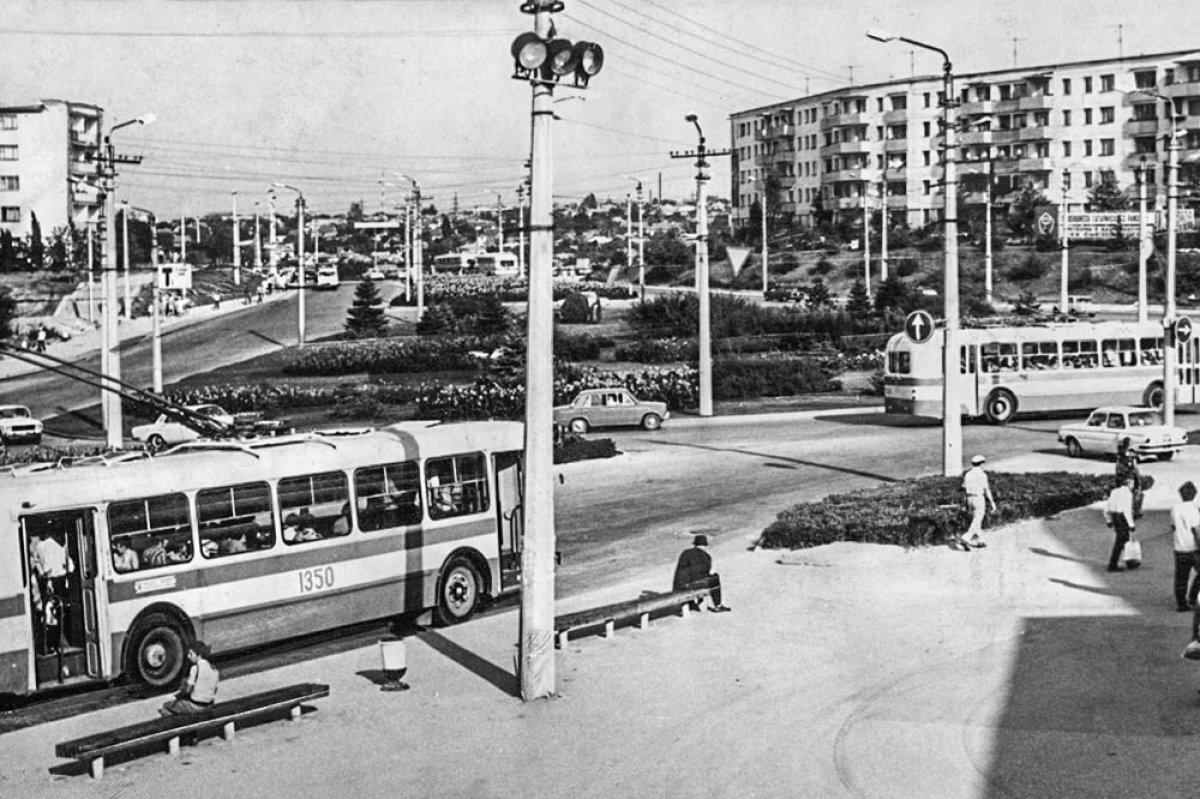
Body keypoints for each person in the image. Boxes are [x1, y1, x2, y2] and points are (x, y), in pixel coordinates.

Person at [672, 533, 731, 612]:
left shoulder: (685, 553)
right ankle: (718, 605)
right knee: (714, 578)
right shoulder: (706, 556)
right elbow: (704, 574)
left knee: (689, 577)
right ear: (705, 546)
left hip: (679, 586)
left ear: (695, 545)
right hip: (694, 586)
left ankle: (692, 603)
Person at [160, 640, 219, 717]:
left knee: (166, 706)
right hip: (209, 705)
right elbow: (214, 690)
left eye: (191, 654)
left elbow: (188, 690)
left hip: (195, 706)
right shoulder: (214, 670)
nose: (188, 656)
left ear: (199, 655)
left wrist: (177, 696)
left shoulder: (195, 668)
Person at [959, 454, 997, 550]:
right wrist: (992, 502)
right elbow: (986, 489)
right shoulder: (982, 475)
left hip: (969, 498)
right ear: (981, 463)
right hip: (978, 498)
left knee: (976, 519)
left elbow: (964, 488)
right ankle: (966, 537)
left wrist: (965, 502)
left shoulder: (968, 474)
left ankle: (981, 540)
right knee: (977, 519)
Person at [1172, 481, 1200, 611]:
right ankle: (1193, 597)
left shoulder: (1175, 509)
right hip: (1193, 548)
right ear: (1195, 494)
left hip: (1179, 547)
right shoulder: (1193, 510)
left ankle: (1181, 603)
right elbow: (1197, 531)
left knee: (1181, 577)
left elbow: (1173, 526)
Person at [1104, 474, 1137, 573]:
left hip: (1115, 517)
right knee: (1121, 541)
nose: (1133, 485)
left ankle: (1128, 560)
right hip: (1122, 518)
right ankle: (1113, 564)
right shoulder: (1128, 494)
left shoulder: (1114, 491)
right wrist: (1131, 525)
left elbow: (1107, 507)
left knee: (1123, 539)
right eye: (1132, 483)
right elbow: (1127, 510)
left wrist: (1108, 520)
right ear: (1128, 483)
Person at [1116, 438, 1144, 518]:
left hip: (1121, 479)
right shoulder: (1131, 456)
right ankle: (1134, 511)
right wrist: (1138, 480)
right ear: (1129, 445)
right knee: (1134, 494)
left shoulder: (1119, 455)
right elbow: (1135, 469)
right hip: (1129, 478)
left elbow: (1117, 467)